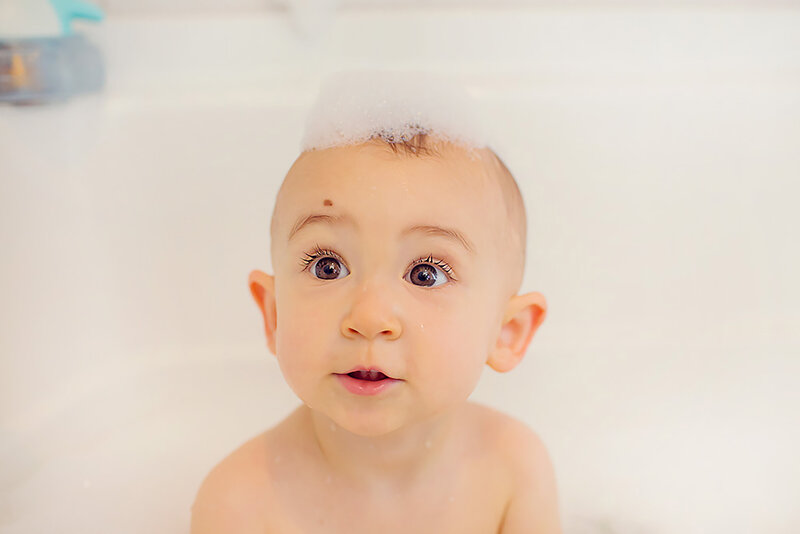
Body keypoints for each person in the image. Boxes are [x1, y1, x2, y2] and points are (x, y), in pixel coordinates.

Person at [191, 72, 561, 534]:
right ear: (273, 314)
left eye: (425, 274)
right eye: (327, 266)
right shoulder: (240, 504)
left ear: (507, 333)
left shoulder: (514, 471)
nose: (369, 317)